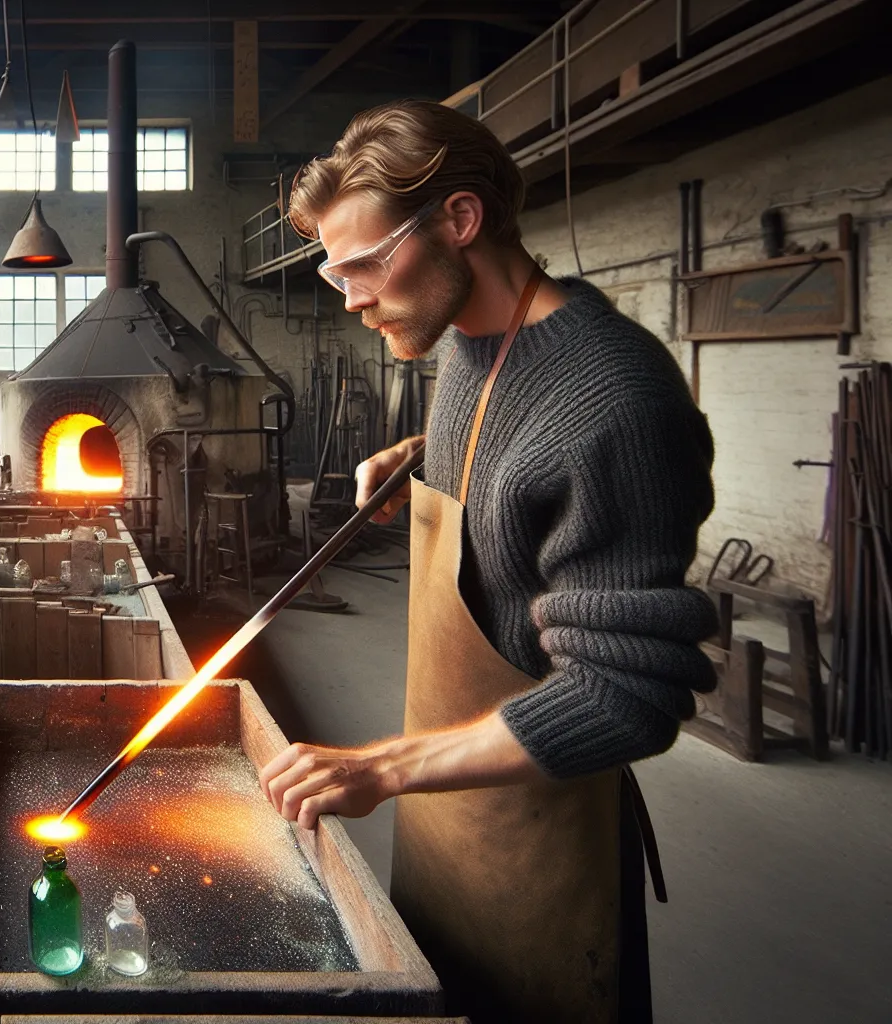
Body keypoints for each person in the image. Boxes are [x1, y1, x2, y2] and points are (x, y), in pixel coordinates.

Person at [258, 99, 716, 1023]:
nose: (347, 296)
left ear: (459, 221)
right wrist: (426, 453)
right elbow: (517, 430)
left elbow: (625, 698)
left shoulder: (618, 402)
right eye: (331, 268)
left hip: (541, 843)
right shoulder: (469, 337)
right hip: (448, 813)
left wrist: (382, 769)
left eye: (364, 263)